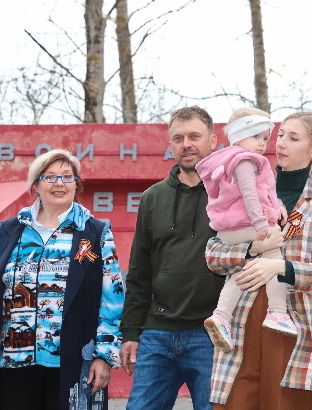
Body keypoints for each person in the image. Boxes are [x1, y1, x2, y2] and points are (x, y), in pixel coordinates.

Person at [0, 149, 123, 410]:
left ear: (76, 184)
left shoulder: (95, 233)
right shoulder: (10, 231)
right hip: (12, 360)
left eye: (67, 177)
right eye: (50, 177)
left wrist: (104, 356)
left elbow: (112, 298)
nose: (59, 183)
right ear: (36, 185)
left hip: (73, 360)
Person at [205, 112, 312, 409]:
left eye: (293, 138)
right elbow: (212, 255)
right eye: (280, 135)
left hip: (295, 328)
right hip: (240, 320)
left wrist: (281, 267)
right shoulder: (246, 185)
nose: (281, 143)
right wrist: (252, 249)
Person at [120, 106, 226, 410]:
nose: (186, 144)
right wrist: (131, 332)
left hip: (212, 334)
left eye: (195, 136)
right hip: (158, 334)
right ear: (171, 145)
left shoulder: (229, 193)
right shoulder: (152, 198)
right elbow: (140, 272)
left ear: (213, 141)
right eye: (178, 138)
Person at [197, 107, 295, 354]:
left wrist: (278, 205)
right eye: (256, 137)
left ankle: (221, 316)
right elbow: (250, 196)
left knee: (246, 269)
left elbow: (260, 194)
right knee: (275, 258)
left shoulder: (228, 160)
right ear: (239, 136)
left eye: (265, 138)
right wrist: (262, 224)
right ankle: (278, 312)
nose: (262, 144)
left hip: (231, 229)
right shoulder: (244, 161)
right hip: (248, 225)